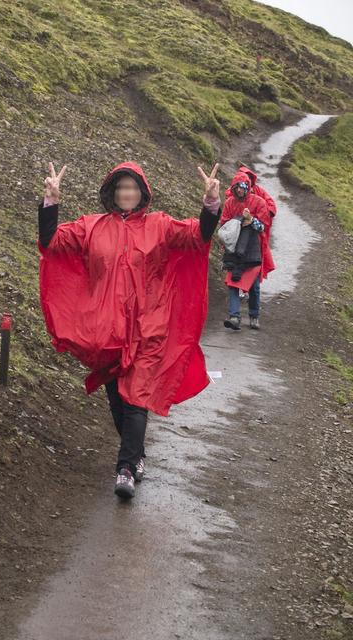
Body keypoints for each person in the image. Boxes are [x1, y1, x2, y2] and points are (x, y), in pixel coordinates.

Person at [38, 161, 221, 499]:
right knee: (118, 401)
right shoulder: (91, 227)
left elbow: (198, 236)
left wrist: (211, 204)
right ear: (112, 192)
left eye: (133, 188)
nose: (127, 193)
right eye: (122, 187)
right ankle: (136, 456)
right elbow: (52, 242)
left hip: (149, 326)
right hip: (105, 329)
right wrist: (51, 201)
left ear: (142, 193)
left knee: (136, 397)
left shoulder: (160, 226)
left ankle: (125, 469)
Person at [220, 170, 275, 330]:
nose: (239, 190)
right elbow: (224, 223)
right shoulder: (230, 203)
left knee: (254, 286)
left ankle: (254, 316)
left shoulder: (259, 202)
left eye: (243, 187)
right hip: (234, 248)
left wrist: (251, 220)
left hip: (253, 248)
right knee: (233, 283)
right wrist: (237, 221)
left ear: (248, 187)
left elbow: (263, 226)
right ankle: (234, 317)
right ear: (233, 187)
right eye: (237, 187)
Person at [225, 164, 277, 245]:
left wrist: (263, 215)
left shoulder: (259, 194)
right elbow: (224, 222)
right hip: (236, 235)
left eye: (248, 177)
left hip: (256, 233)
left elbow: (271, 206)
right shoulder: (231, 198)